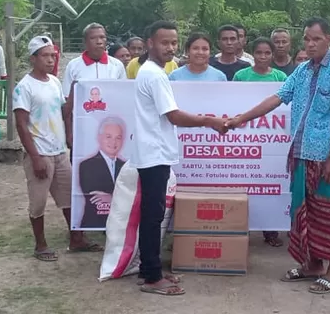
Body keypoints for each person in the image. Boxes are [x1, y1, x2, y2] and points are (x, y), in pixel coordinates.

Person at [226, 17, 330, 294]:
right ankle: (312, 265)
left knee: (328, 213)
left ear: (329, 39)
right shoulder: (303, 70)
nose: (310, 44)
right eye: (307, 38)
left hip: (324, 156)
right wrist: (240, 119)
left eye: (316, 39)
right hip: (299, 152)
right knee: (303, 211)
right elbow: (277, 97)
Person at [129, 21, 229, 296]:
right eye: (165, 43)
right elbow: (173, 115)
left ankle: (151, 270)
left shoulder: (155, 72)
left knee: (153, 214)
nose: (171, 48)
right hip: (154, 154)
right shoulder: (154, 75)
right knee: (153, 216)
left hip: (154, 152)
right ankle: (151, 277)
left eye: (174, 43)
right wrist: (208, 121)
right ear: (150, 43)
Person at [14, 35, 102, 261]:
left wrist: (75, 94)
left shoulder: (54, 82)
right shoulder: (24, 87)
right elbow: (21, 125)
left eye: (53, 55)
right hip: (40, 152)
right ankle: (40, 245)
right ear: (33, 58)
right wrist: (34, 157)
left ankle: (76, 239)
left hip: (59, 151)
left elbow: (63, 112)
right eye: (45, 56)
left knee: (70, 197)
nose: (51, 60)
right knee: (38, 201)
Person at [233, 38, 287, 247]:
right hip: (246, 135)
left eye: (267, 53)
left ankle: (270, 231)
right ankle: (240, 227)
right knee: (244, 180)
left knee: (269, 182)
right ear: (252, 54)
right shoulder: (241, 75)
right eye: (259, 53)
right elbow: (231, 101)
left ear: (272, 55)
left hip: (271, 136)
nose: (263, 57)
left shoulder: (280, 76)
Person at [62, 24, 126, 151]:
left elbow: (123, 99)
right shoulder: (74, 66)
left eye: (102, 37)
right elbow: (67, 102)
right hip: (83, 129)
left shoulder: (116, 65)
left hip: (111, 130)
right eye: (93, 38)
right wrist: (69, 133)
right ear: (85, 42)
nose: (99, 41)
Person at [79, 116, 127, 228]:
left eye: (118, 138)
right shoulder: (86, 165)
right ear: (99, 137)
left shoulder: (126, 166)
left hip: (122, 220)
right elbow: (93, 195)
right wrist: (120, 197)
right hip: (95, 219)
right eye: (108, 136)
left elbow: (131, 193)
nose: (113, 142)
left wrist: (111, 197)